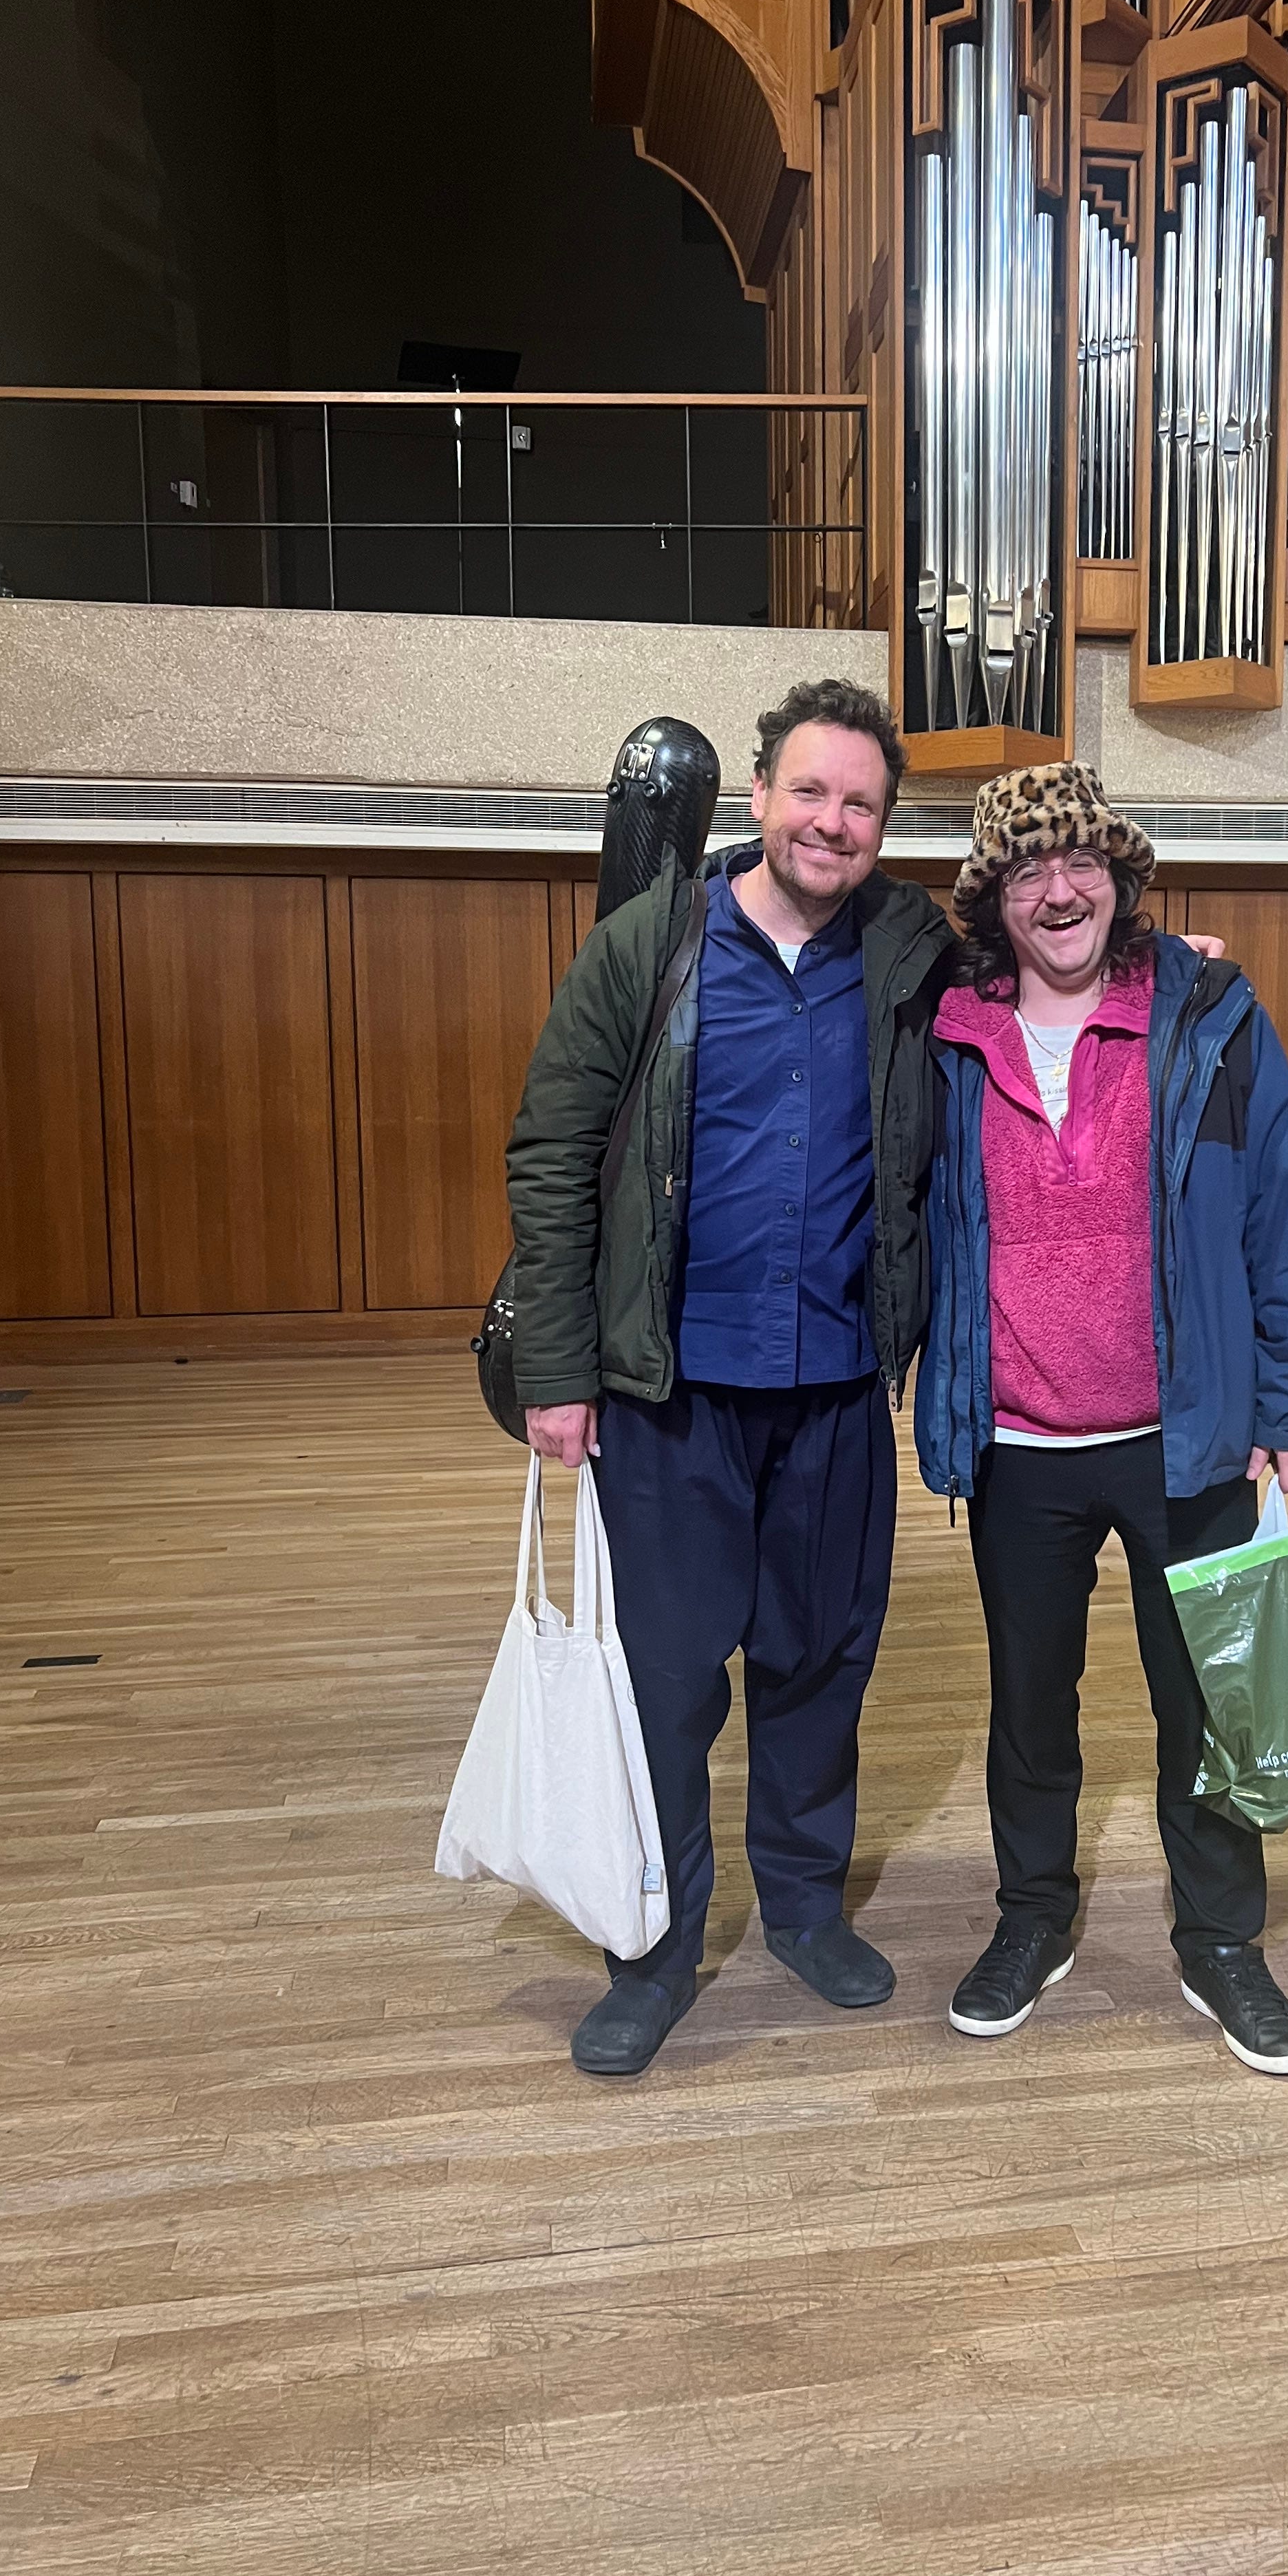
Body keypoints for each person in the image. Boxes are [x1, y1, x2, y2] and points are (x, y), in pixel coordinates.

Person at [506, 678, 955, 2077]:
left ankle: (806, 1910)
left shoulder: (913, 953)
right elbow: (553, 1154)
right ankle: (651, 1946)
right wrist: (558, 1370)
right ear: (758, 796)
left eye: (862, 804)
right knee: (666, 1681)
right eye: (810, 791)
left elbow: (1053, 975)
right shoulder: (652, 943)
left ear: (885, 825)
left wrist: (1168, 966)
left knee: (819, 1663)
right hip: (670, 1393)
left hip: (835, 1390)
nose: (833, 821)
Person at [914, 762, 1288, 2077]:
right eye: (1028, 870)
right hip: (1019, 1445)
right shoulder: (940, 1030)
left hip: (1185, 1437)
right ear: (990, 900)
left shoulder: (1209, 1016)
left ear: (1122, 880)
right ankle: (1033, 1917)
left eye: (1082, 863)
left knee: (1203, 1708)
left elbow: (1285, 1213)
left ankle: (1221, 1942)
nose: (1060, 891)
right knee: (1030, 1709)